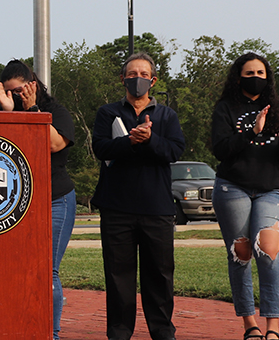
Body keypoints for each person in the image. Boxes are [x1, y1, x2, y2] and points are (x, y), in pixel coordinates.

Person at [90, 52, 185, 340]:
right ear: (122, 79)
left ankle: (162, 330)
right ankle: (119, 331)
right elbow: (101, 149)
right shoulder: (108, 113)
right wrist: (130, 141)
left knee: (159, 273)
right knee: (119, 275)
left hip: (156, 207)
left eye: (144, 75)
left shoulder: (166, 115)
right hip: (116, 207)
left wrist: (151, 139)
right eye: (132, 74)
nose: (138, 79)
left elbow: (174, 151)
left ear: (153, 81)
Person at [210, 52, 279, 340]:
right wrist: (251, 132)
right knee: (242, 254)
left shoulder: (278, 107)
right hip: (232, 188)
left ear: (268, 77)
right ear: (238, 77)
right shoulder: (226, 108)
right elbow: (221, 149)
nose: (255, 79)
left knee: (269, 251)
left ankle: (273, 328)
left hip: (268, 190)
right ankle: (249, 324)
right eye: (249, 74)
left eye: (261, 74)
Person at [0, 59, 75, 339]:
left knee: (46, 269)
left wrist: (31, 110)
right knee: (14, 269)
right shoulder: (5, 111)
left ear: (33, 85)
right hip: (16, 205)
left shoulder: (56, 111)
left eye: (18, 91)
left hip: (55, 200)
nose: (15, 97)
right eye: (9, 92)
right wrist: (7, 112)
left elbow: (52, 143)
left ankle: (50, 333)